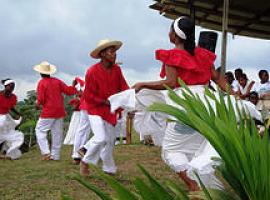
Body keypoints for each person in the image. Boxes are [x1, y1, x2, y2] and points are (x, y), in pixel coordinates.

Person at [132, 16, 232, 191]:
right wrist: (234, 95)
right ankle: (207, 189)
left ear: (175, 36)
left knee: (170, 150)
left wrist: (143, 84)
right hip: (206, 107)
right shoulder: (203, 55)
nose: (169, 33)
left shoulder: (172, 55)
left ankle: (194, 185)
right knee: (194, 151)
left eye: (170, 30)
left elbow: (170, 83)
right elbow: (217, 79)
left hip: (185, 108)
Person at [80, 39, 129, 176]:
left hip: (110, 110)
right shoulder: (92, 71)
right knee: (101, 138)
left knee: (109, 142)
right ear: (102, 54)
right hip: (95, 109)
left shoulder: (117, 70)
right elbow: (88, 96)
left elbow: (123, 87)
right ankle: (86, 161)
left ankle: (109, 169)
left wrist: (131, 96)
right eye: (111, 52)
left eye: (115, 52)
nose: (114, 55)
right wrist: (104, 101)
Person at [34, 61, 78, 161]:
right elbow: (69, 91)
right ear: (50, 72)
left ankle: (46, 152)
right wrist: (73, 85)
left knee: (40, 130)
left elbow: (40, 99)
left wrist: (37, 105)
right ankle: (55, 155)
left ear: (40, 73)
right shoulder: (57, 81)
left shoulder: (41, 83)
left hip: (48, 111)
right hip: (59, 111)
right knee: (57, 133)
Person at [0, 79, 24, 159]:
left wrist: (18, 114)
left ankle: (7, 151)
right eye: (11, 86)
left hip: (6, 116)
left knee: (10, 134)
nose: (12, 88)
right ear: (6, 86)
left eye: (13, 87)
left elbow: (11, 108)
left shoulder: (13, 97)